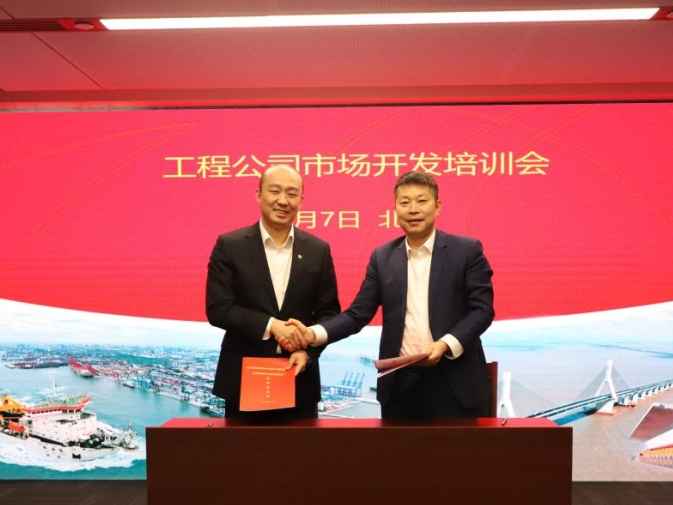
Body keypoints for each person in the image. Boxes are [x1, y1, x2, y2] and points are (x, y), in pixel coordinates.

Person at [289, 171, 494, 419]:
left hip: (456, 383)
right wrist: (312, 334)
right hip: (400, 387)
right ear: (395, 210)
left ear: (437, 206)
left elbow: (482, 310)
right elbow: (357, 314)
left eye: (421, 201)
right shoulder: (382, 257)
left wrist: (445, 344)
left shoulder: (467, 251)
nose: (413, 209)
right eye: (405, 202)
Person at [205, 164, 341, 420]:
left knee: (302, 448)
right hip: (243, 382)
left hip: (300, 379)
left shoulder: (318, 250)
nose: (283, 201)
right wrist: (272, 326)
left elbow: (329, 314)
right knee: (244, 448)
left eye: (291, 194)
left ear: (301, 200)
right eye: (275, 191)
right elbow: (219, 308)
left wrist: (307, 352)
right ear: (259, 194)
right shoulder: (230, 245)